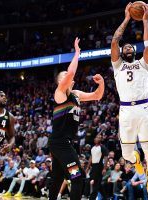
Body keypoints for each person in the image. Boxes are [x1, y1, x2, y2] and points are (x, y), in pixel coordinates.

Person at [48, 38, 105, 200]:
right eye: (64, 75)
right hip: (60, 143)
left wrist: (101, 83)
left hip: (62, 143)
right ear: (60, 81)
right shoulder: (60, 93)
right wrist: (77, 53)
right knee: (77, 177)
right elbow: (71, 72)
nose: (68, 75)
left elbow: (97, 96)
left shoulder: (76, 94)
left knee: (58, 178)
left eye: (67, 74)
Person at [111, 2, 148, 195]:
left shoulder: (143, 63)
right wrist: (128, 17)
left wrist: (145, 21)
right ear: (122, 53)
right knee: (127, 154)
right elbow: (114, 41)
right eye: (125, 47)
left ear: (134, 52)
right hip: (126, 111)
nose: (127, 48)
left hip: (144, 108)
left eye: (130, 47)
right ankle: (136, 161)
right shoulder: (118, 66)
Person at [0, 91, 15, 177]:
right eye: (1, 96)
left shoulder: (10, 117)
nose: (4, 97)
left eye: (5, 96)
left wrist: (10, 145)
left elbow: (12, 136)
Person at [86, 134, 109, 200]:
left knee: (96, 184)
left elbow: (106, 157)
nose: (97, 139)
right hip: (93, 167)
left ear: (101, 140)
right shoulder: (92, 148)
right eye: (97, 137)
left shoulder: (102, 147)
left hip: (99, 166)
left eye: (99, 138)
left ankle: (92, 198)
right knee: (98, 184)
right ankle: (105, 197)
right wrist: (87, 167)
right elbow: (91, 157)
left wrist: (104, 168)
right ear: (94, 139)